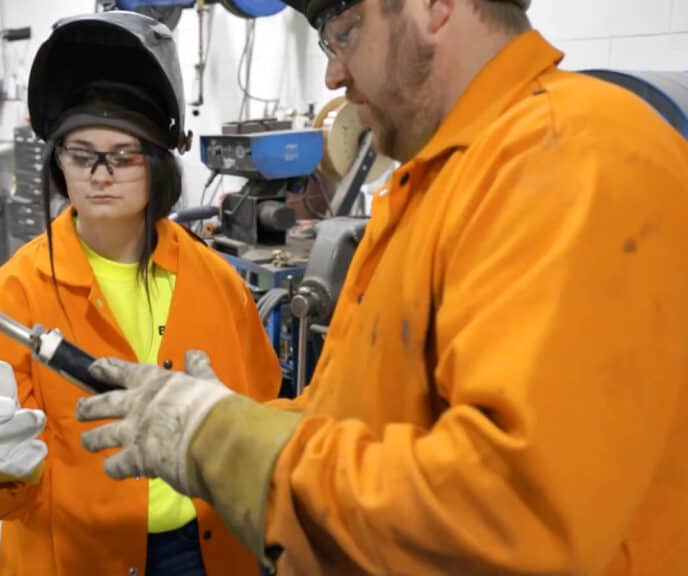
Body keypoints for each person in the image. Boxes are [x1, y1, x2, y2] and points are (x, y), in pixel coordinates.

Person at [74, 1, 688, 574]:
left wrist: (225, 439)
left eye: (345, 32)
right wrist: (229, 418)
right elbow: (358, 416)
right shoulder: (434, 182)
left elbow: (512, 513)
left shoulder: (570, 156)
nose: (334, 75)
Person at [0, 11, 282, 576]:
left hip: (208, 544)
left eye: (123, 155)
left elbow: (262, 412)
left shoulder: (218, 283)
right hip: (76, 553)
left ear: (158, 167)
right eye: (81, 154)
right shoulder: (9, 297)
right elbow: (4, 495)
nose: (101, 174)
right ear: (59, 164)